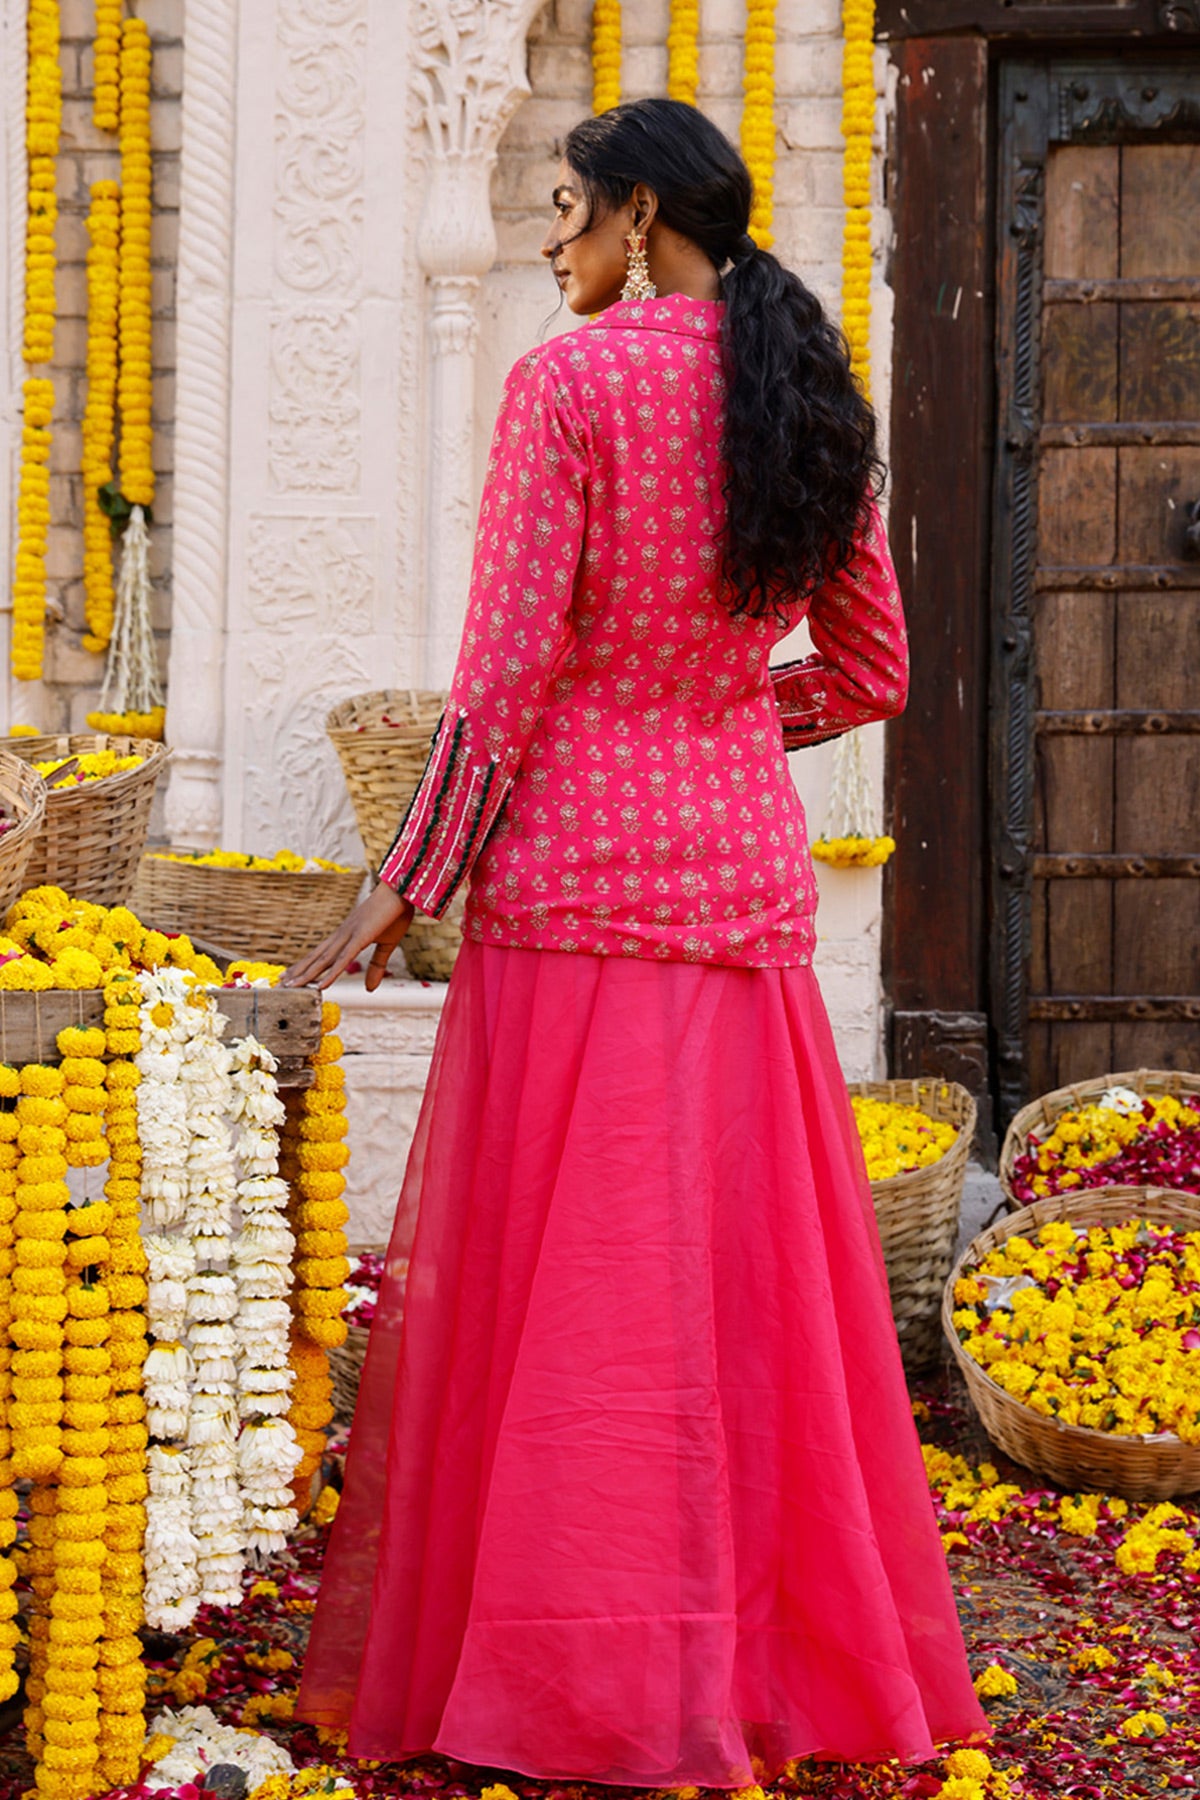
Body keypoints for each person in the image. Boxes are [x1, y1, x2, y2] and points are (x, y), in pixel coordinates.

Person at [289, 98, 988, 1788]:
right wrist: (732, 722)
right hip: (737, 886)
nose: (551, 243)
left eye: (566, 212)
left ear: (645, 215)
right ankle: (756, 1669)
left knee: (572, 1298)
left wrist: (411, 870)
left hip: (575, 897)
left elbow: (510, 671)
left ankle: (559, 1672)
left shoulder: (573, 387)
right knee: (734, 1302)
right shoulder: (804, 394)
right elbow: (875, 670)